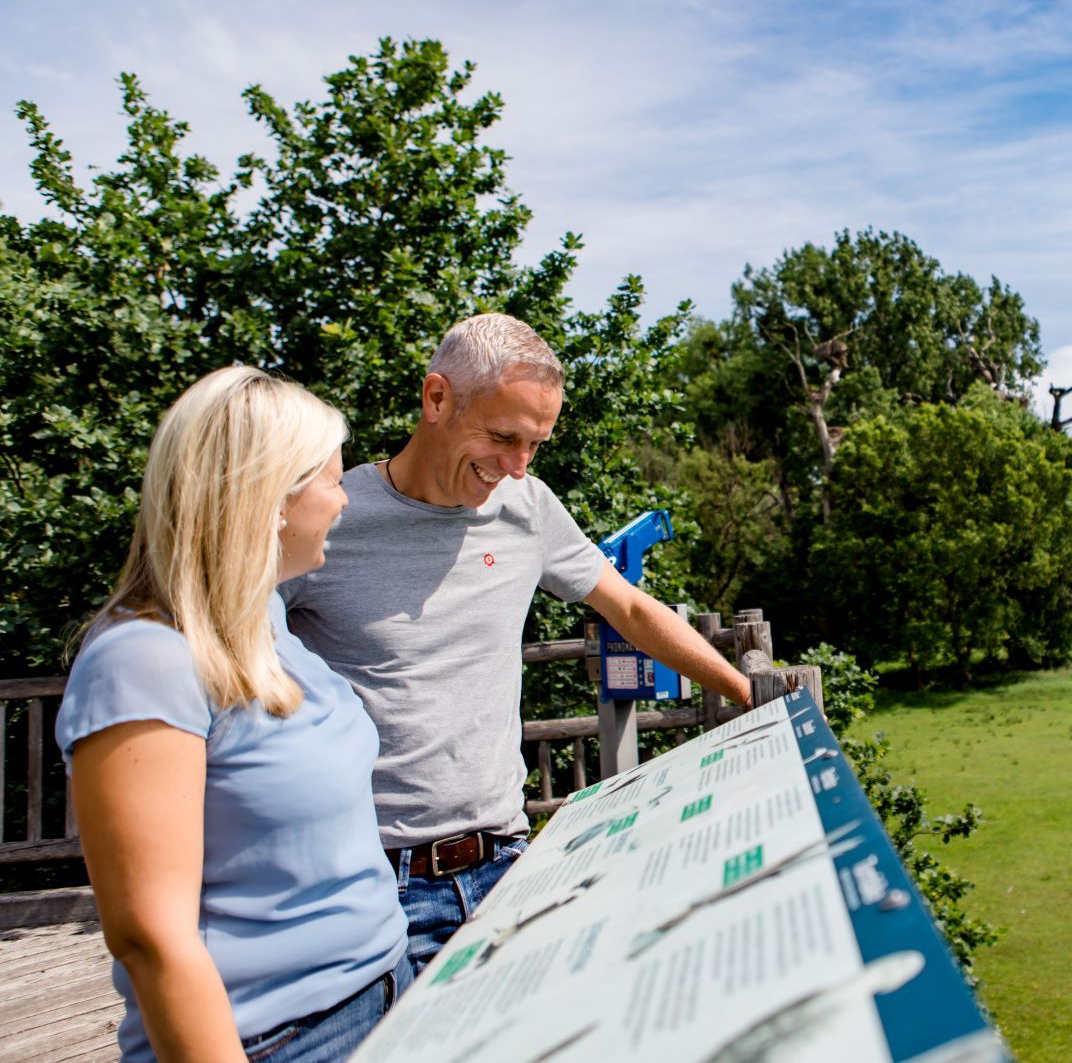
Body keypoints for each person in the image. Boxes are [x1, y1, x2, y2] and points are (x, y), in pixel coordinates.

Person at [281, 313, 752, 971]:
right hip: (371, 879)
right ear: (436, 398)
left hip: (505, 866)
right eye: (504, 437)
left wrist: (745, 692)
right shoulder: (329, 518)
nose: (517, 466)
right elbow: (224, 654)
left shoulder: (527, 507)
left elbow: (631, 610)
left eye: (536, 444)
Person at [57, 367, 409, 1063]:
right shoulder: (144, 661)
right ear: (270, 498)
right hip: (280, 1040)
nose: (345, 503)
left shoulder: (266, 621)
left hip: (384, 996)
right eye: (333, 481)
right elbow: (152, 941)